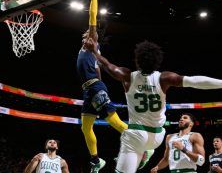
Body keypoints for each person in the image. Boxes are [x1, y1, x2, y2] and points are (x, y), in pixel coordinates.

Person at [84, 39, 222, 173]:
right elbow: (195, 81)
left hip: (136, 135)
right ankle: (148, 151)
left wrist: (94, 51)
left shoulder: (127, 76)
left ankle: (142, 153)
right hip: (157, 136)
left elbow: (107, 65)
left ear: (137, 60)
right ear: (157, 61)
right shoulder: (164, 78)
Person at [76, 0, 128, 172]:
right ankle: (97, 161)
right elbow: (99, 71)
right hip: (90, 90)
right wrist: (99, 82)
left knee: (113, 121)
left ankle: (143, 146)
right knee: (85, 127)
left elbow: (92, 15)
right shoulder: (90, 52)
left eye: (89, 33)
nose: (86, 33)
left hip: (94, 87)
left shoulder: (91, 41)